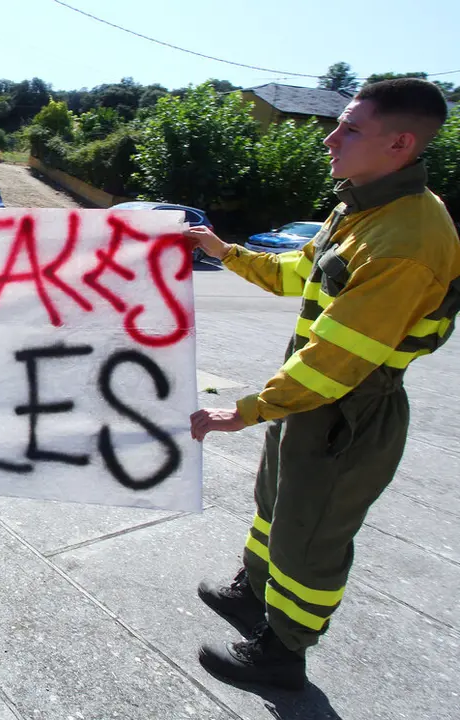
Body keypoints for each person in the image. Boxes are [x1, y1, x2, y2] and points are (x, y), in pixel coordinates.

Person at [189, 79, 460, 690]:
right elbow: (298, 272)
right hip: (312, 396)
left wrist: (251, 409)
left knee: (309, 537)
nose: (331, 138)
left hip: (349, 407)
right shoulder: (361, 207)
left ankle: (283, 653)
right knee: (276, 505)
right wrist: (224, 252)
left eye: (350, 129)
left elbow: (341, 358)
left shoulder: (408, 240)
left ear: (401, 143)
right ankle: (254, 595)